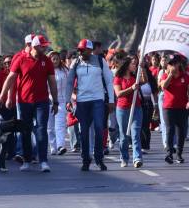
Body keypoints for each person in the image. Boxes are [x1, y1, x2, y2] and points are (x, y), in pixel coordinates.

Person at [0, 35, 58, 172]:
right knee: (25, 130)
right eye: (43, 45)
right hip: (24, 102)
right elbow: (10, 79)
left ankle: (43, 161)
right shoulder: (20, 59)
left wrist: (55, 101)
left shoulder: (46, 61)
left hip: (42, 101)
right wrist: (2, 96)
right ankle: (27, 160)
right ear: (35, 46)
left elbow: (52, 82)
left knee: (42, 129)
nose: (46, 47)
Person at [66, 39, 114, 171]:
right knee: (84, 132)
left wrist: (111, 100)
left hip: (98, 100)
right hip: (82, 101)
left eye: (82, 50)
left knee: (99, 128)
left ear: (90, 50)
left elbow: (109, 81)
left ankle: (99, 158)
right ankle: (85, 159)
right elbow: (69, 82)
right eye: (79, 50)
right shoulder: (75, 63)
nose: (80, 52)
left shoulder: (100, 61)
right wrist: (67, 100)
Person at [114, 56, 146, 168]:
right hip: (122, 109)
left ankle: (137, 158)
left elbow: (144, 80)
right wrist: (132, 88)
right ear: (127, 65)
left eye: (136, 64)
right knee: (123, 136)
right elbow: (118, 94)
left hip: (136, 108)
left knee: (135, 134)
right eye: (133, 64)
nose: (135, 66)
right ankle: (124, 157)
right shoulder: (118, 77)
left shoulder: (135, 77)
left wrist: (143, 69)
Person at [160, 54, 189, 164]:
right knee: (170, 130)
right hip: (168, 107)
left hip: (182, 107)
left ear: (179, 64)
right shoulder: (165, 75)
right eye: (170, 64)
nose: (172, 66)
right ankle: (169, 153)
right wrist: (170, 75)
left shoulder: (185, 76)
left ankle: (179, 154)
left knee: (181, 131)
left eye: (174, 63)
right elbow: (163, 86)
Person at [47, 51, 68, 155]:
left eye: (56, 58)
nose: (55, 61)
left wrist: (70, 100)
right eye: (52, 58)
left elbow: (70, 85)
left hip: (62, 101)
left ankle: (60, 145)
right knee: (50, 126)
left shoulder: (65, 71)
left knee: (60, 124)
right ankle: (53, 146)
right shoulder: (46, 71)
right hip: (49, 101)